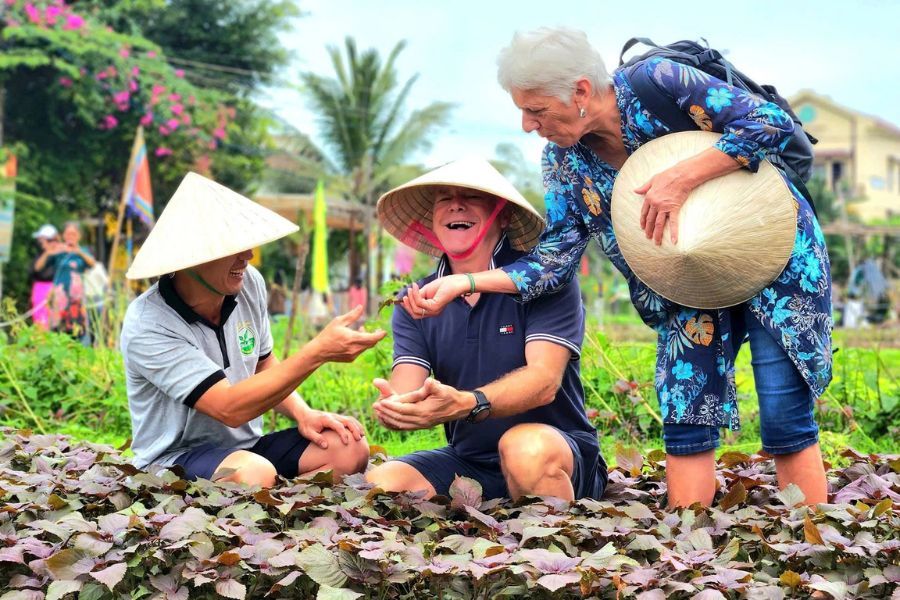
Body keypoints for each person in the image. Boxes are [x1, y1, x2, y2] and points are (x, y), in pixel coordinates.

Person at [406, 29, 833, 507]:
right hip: (684, 277)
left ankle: (812, 543)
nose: (527, 124)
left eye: (537, 110)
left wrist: (680, 176)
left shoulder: (658, 81)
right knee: (685, 403)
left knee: (782, 404)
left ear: (582, 91)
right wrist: (462, 281)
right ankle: (688, 540)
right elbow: (554, 260)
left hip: (770, 248)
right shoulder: (565, 161)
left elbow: (769, 122)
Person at [366, 157, 607, 501]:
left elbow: (544, 382)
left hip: (553, 450)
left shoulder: (546, 282)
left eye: (472, 196)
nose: (456, 205)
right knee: (382, 483)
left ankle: (553, 542)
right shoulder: (415, 300)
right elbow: (407, 387)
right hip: (471, 461)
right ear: (432, 221)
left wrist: (468, 403)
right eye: (444, 198)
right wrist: (398, 408)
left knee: (523, 448)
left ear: (504, 216)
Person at [120, 172, 385, 487]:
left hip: (247, 448)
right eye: (232, 248)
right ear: (191, 259)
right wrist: (317, 352)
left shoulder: (248, 284)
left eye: (246, 245)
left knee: (349, 447)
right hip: (174, 459)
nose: (247, 256)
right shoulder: (148, 323)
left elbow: (263, 364)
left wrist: (304, 414)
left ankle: (276, 500)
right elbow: (228, 407)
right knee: (252, 473)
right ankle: (271, 493)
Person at [35, 221, 95, 340]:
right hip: (59, 297)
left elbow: (92, 264)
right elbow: (38, 267)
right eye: (68, 234)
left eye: (73, 234)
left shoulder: (83, 252)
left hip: (76, 299)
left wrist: (79, 252)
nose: (70, 237)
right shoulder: (58, 251)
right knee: (58, 331)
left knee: (77, 331)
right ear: (63, 236)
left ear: (79, 236)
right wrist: (48, 252)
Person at [28, 224, 59, 330]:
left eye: (42, 239)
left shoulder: (59, 254)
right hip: (40, 289)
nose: (40, 242)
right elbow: (35, 269)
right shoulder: (41, 254)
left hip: (55, 289)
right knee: (40, 322)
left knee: (54, 322)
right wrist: (47, 252)